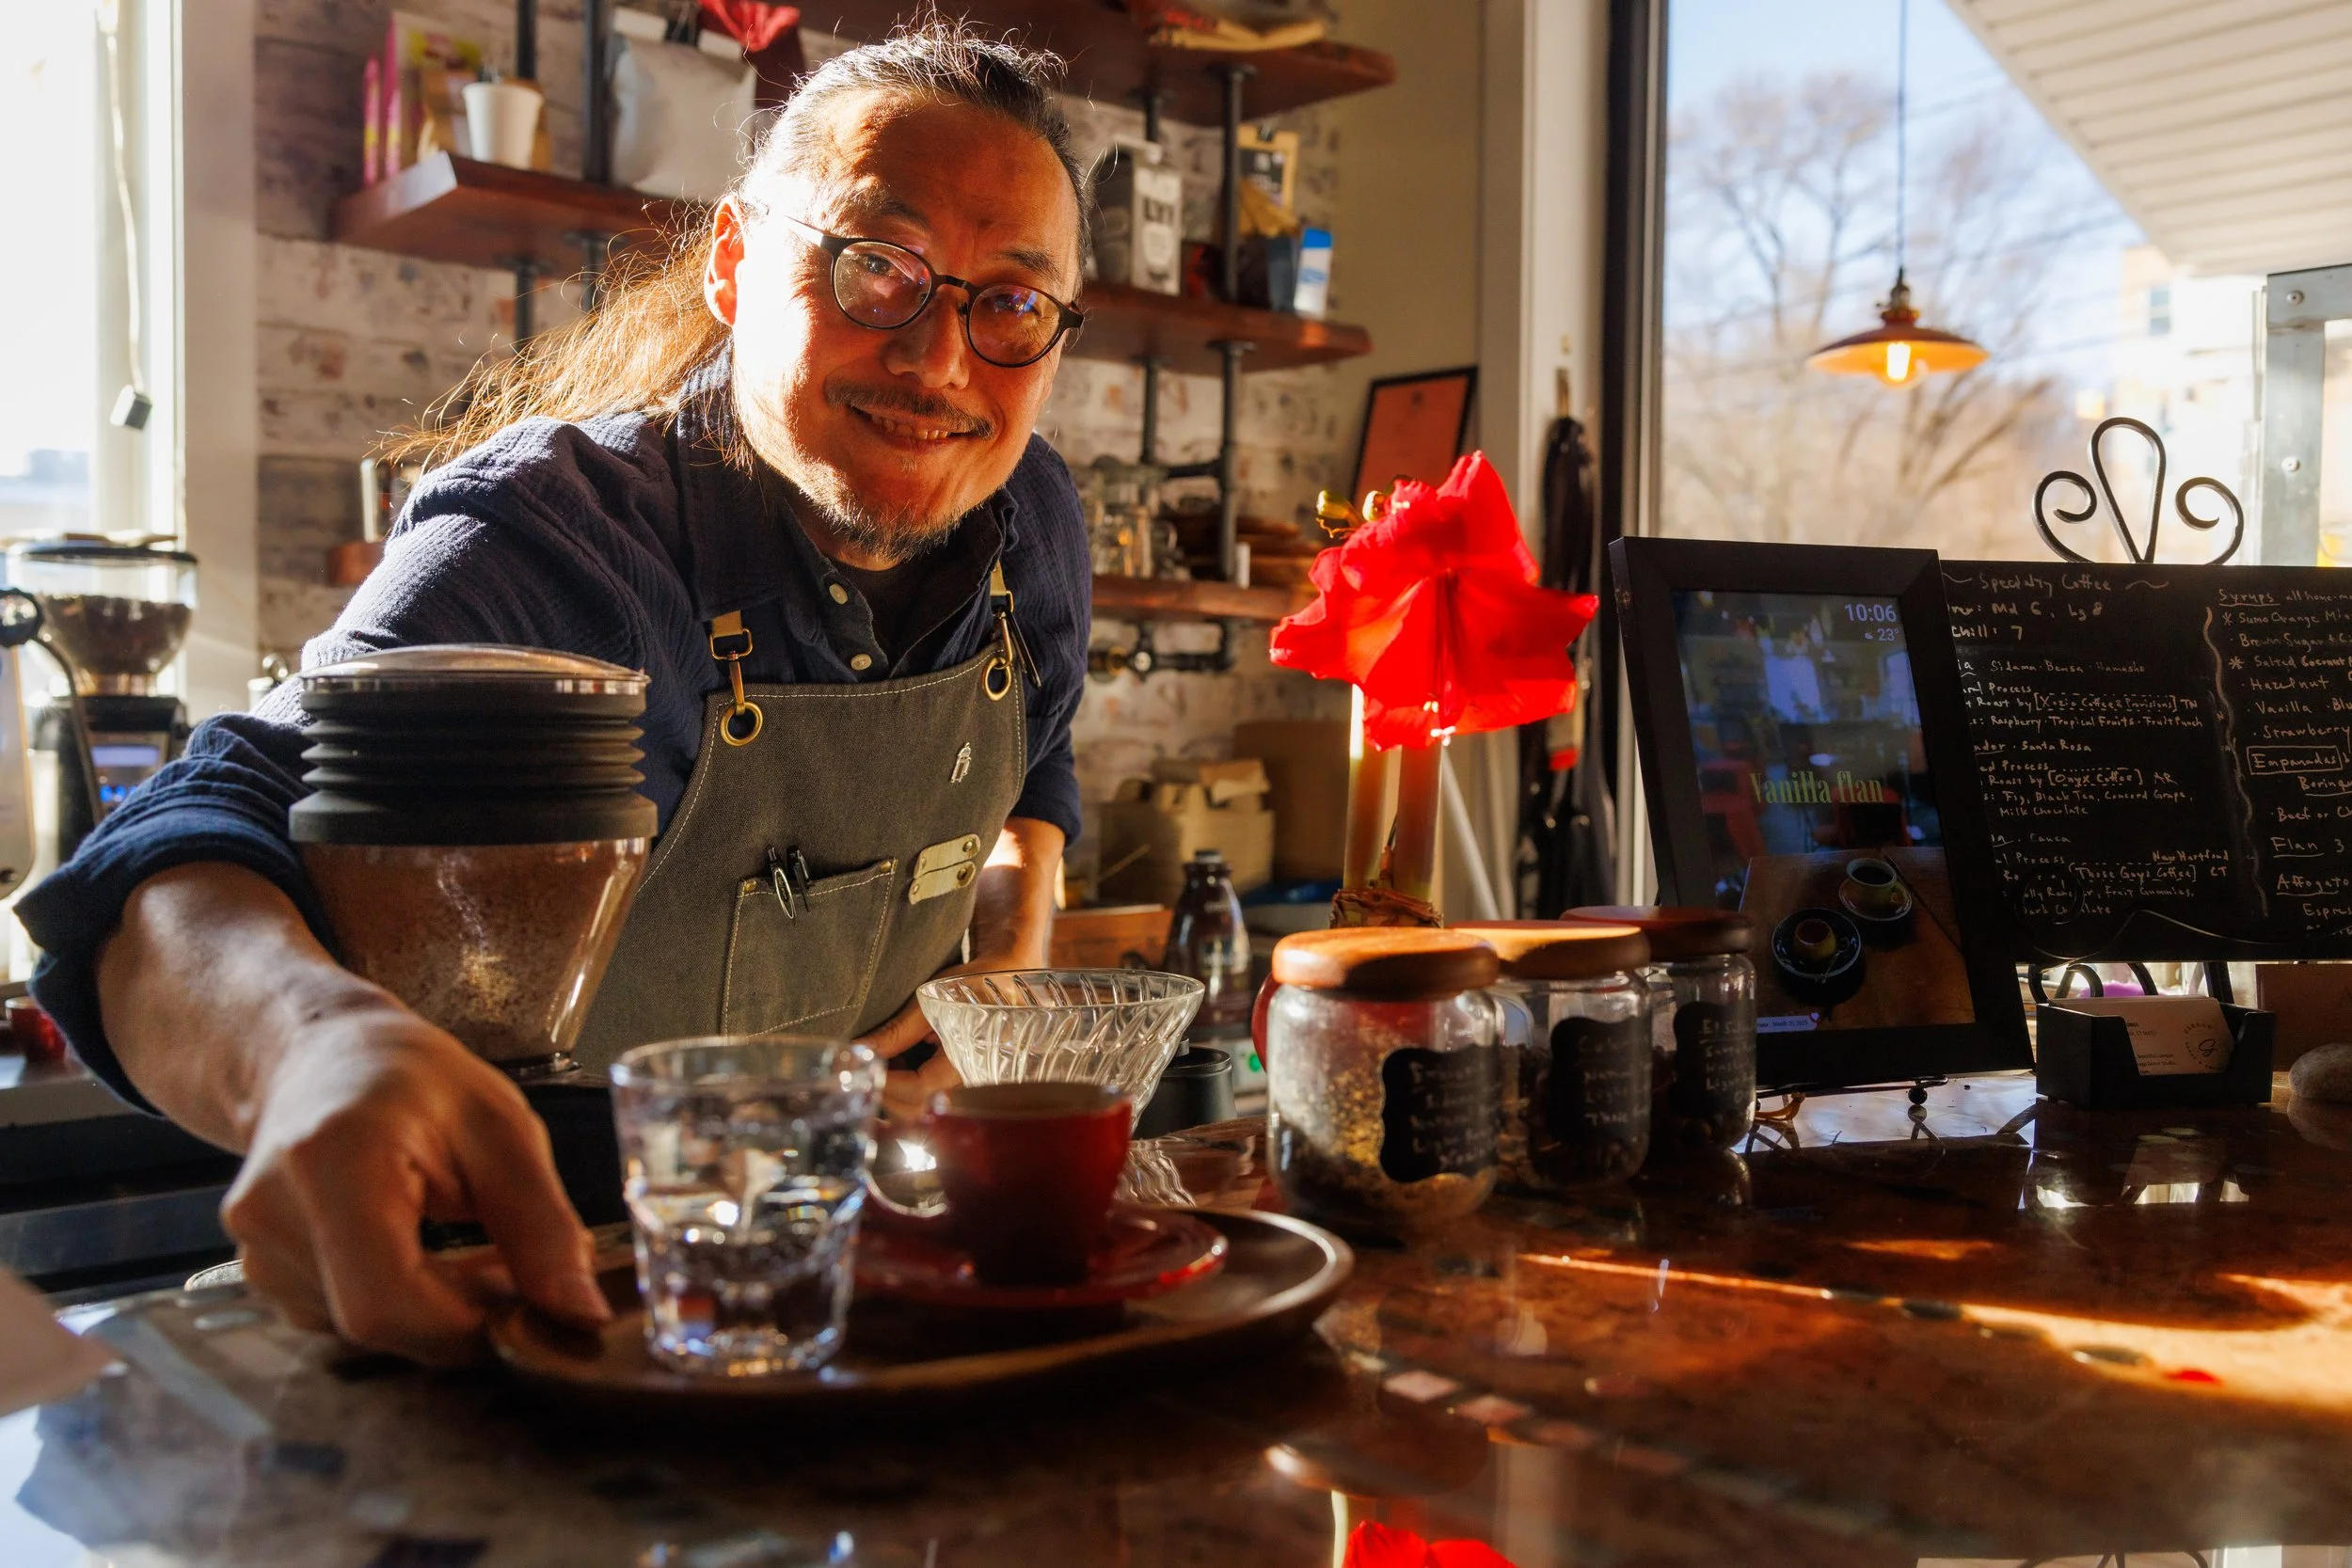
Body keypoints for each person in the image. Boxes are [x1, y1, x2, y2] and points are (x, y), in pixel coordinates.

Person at [18, 24, 1094, 1366]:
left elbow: (1034, 766)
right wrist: (309, 1044)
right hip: (508, 1314)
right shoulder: (568, 544)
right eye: (878, 267)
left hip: (826, 1306)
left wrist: (1008, 948)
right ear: (736, 265)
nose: (941, 361)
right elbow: (188, 829)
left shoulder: (1031, 519)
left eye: (1008, 302)